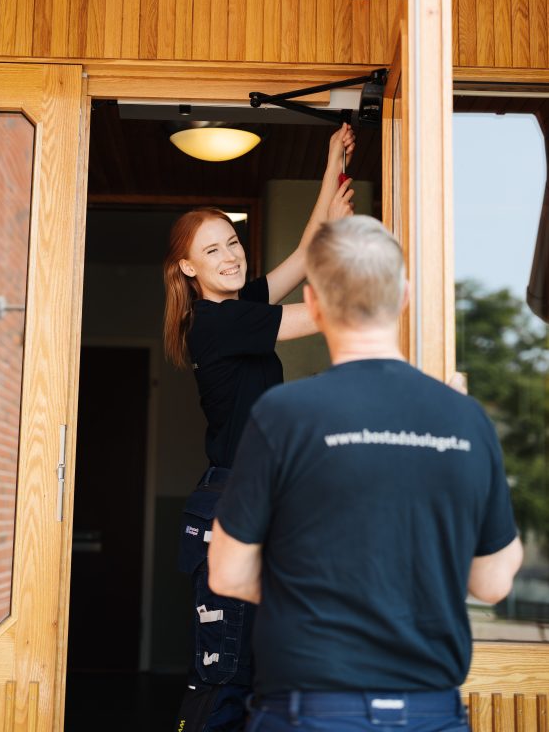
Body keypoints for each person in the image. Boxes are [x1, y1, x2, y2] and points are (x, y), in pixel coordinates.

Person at [209, 215, 523, 732]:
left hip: (310, 711)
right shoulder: (465, 419)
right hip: (429, 714)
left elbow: (228, 573)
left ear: (313, 304)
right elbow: (491, 581)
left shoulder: (283, 415)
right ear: (404, 297)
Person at [164, 123, 356, 732]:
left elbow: (302, 257)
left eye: (232, 242)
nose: (230, 256)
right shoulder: (217, 323)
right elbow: (324, 311)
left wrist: (332, 163)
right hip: (231, 506)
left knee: (255, 674)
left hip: (250, 498)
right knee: (226, 679)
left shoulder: (237, 308)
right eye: (212, 251)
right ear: (188, 267)